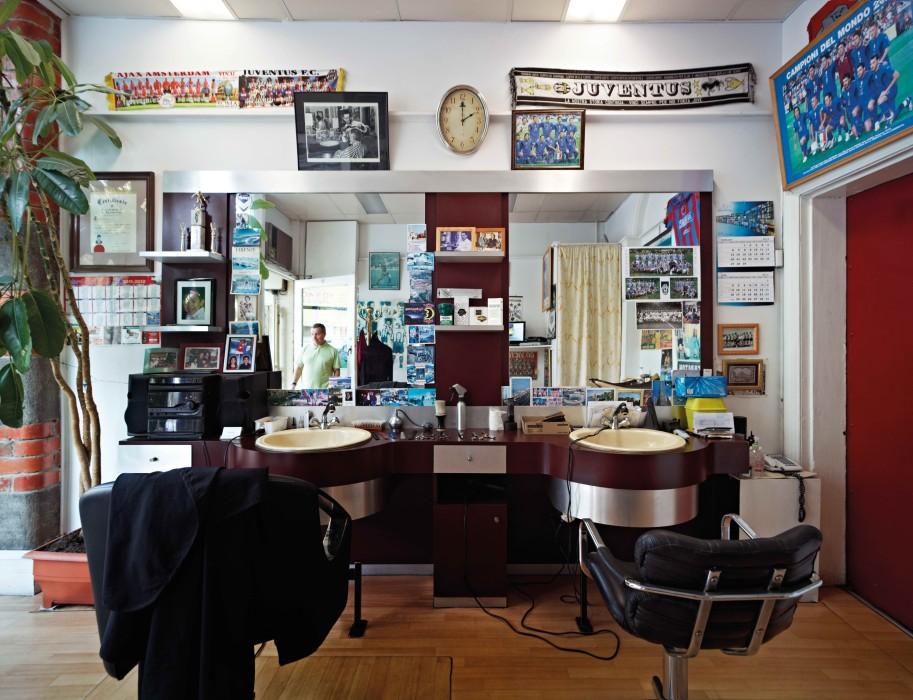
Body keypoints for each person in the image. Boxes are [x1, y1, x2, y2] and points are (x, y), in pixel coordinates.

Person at [292, 323, 340, 389]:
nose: (314, 337)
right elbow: (299, 368)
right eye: (312, 334)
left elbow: (336, 371)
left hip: (324, 391)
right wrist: (294, 384)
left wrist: (333, 387)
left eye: (317, 334)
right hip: (306, 391)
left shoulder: (333, 351)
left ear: (324, 334)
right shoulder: (305, 349)